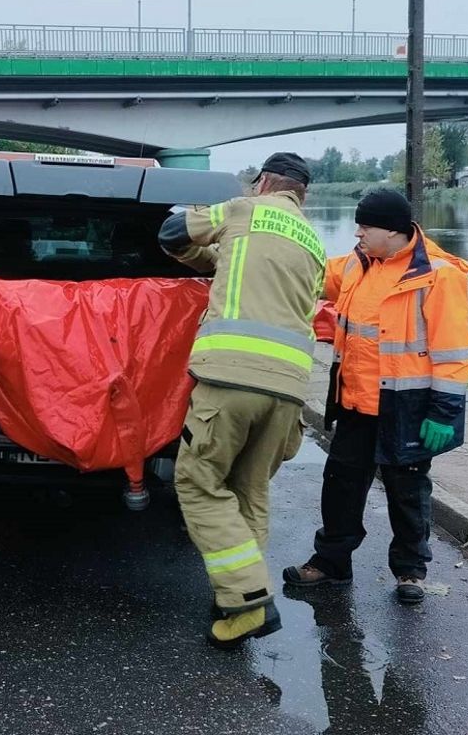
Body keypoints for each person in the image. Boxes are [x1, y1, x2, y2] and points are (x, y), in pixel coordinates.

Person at [159, 152, 325, 649]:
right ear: (302, 194)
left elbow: (171, 234)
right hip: (290, 390)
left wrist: (198, 232)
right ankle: (237, 603)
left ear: (264, 183)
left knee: (197, 482)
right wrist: (215, 258)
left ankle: (248, 597)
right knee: (250, 490)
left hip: (231, 378)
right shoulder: (315, 243)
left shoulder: (242, 210)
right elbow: (270, 288)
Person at [283, 188, 468, 604]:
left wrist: (444, 411)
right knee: (339, 486)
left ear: (393, 231)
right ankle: (330, 564)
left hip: (406, 408)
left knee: (407, 493)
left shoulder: (438, 276)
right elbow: (311, 274)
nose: (357, 233)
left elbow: (454, 352)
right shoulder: (357, 263)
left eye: (365, 226)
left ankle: (410, 573)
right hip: (354, 403)